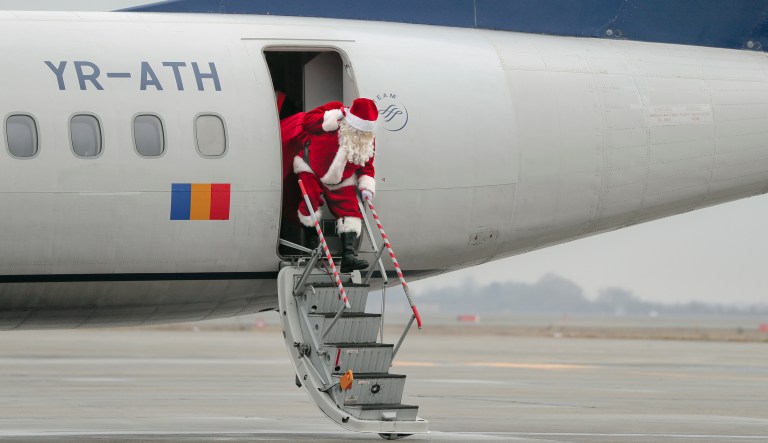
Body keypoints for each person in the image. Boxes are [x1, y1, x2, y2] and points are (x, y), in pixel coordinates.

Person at [293, 98, 378, 272]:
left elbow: (367, 166)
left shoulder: (367, 140)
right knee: (310, 198)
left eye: (364, 131)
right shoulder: (335, 111)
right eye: (358, 129)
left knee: (351, 210)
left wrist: (366, 186)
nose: (360, 134)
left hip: (341, 179)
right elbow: (306, 122)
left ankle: (348, 256)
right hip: (312, 167)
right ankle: (312, 243)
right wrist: (334, 116)